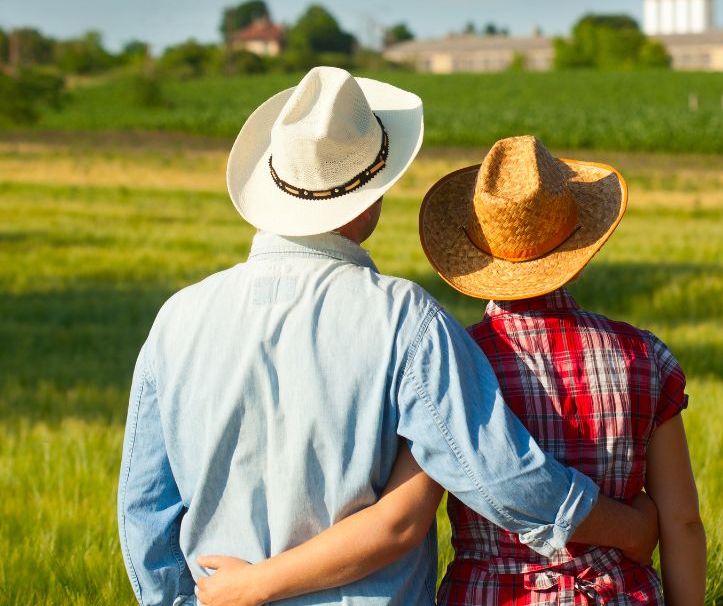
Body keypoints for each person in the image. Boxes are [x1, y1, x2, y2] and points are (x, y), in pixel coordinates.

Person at [117, 68, 657, 606]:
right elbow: (500, 478)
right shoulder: (404, 319)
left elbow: (145, 509)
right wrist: (628, 527)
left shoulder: (176, 319)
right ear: (371, 196)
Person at [195, 135, 705, 606]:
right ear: (579, 243)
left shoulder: (451, 356)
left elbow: (406, 515)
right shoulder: (644, 357)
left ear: (478, 251)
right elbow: (682, 521)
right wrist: (635, 533)